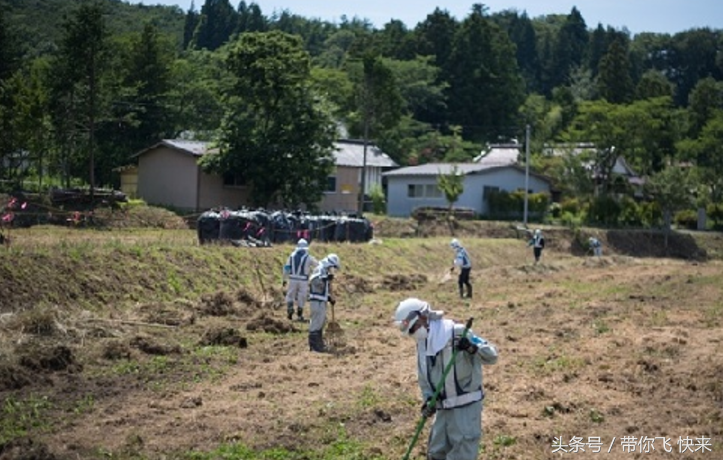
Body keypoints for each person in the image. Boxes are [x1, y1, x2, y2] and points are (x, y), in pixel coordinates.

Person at [393, 298, 498, 460]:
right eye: (410, 332)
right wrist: (428, 400)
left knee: (462, 453)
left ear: (422, 317)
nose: (413, 334)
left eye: (413, 328)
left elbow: (492, 356)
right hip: (443, 411)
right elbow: (424, 377)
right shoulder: (422, 343)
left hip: (465, 410)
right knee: (436, 453)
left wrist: (471, 348)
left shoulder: (457, 332)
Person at [307, 253, 341, 353]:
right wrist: (325, 278)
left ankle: (319, 343)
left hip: (321, 299)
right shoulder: (320, 268)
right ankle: (314, 345)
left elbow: (326, 287)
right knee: (316, 321)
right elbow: (314, 281)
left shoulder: (325, 271)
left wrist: (329, 297)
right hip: (316, 299)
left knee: (321, 321)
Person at [282, 238, 318, 321]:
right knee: (302, 296)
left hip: (292, 279)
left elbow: (286, 268)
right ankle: (299, 314)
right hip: (303, 280)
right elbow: (317, 265)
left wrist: (284, 279)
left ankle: (290, 310)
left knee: (290, 295)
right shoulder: (309, 257)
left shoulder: (291, 256)